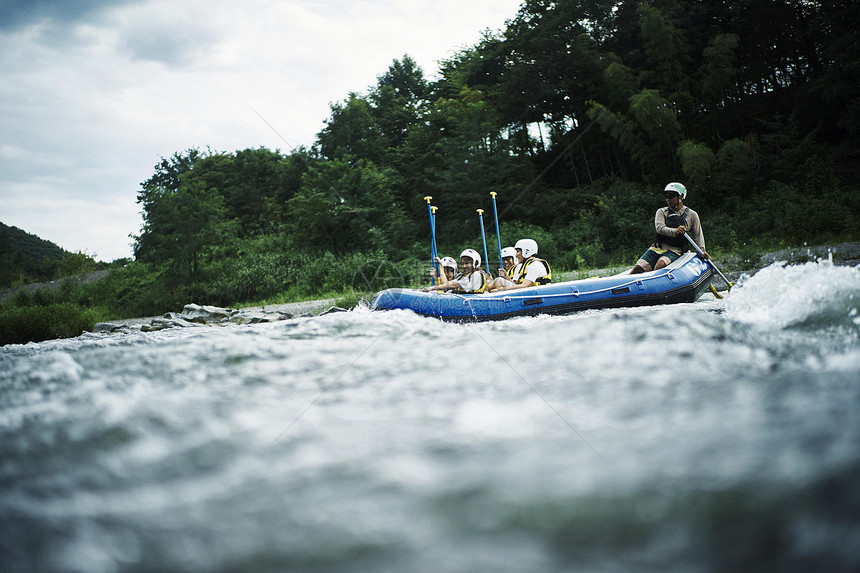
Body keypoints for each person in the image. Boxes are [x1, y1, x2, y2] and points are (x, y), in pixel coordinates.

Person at [630, 182, 709, 274]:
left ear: (681, 196)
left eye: (671, 196)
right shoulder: (661, 212)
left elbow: (697, 235)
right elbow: (660, 228)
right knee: (637, 268)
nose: (668, 200)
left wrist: (701, 251)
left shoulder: (692, 215)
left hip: (675, 250)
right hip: (657, 248)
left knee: (660, 265)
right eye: (667, 197)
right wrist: (675, 231)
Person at [422, 249, 490, 294]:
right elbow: (446, 285)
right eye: (462, 264)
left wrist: (432, 288)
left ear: (476, 263)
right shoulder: (462, 276)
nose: (464, 266)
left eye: (466, 263)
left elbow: (451, 285)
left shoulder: (477, 275)